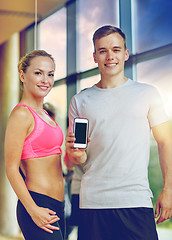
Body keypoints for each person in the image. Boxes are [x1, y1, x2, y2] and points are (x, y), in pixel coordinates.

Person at [64, 25, 172, 240]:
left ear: (126, 53)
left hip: (135, 199)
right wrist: (75, 154)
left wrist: (168, 189)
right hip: (93, 202)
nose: (110, 56)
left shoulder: (148, 93)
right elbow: (79, 157)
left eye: (115, 49)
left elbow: (165, 142)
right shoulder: (80, 100)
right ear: (95, 56)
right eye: (102, 50)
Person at [5, 50, 65, 240]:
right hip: (37, 203)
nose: (45, 80)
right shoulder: (21, 114)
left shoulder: (46, 116)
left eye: (50, 74)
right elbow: (11, 168)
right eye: (38, 73)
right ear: (23, 75)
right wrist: (33, 209)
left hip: (57, 205)